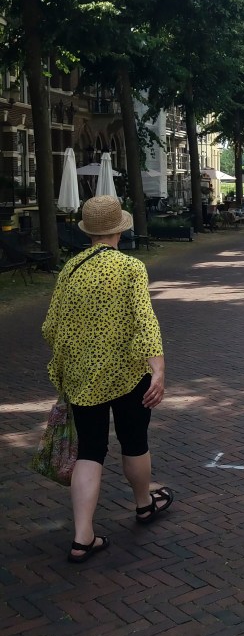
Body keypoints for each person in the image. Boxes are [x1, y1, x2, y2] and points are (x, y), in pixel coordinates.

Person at [42, 195, 172, 564]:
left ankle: (82, 537)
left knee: (90, 450)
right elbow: (145, 322)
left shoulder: (70, 270)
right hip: (129, 374)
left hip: (83, 378)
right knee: (134, 442)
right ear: (119, 229)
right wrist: (158, 369)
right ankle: (144, 504)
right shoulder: (131, 268)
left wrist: (74, 358)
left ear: (88, 231)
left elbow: (50, 326)